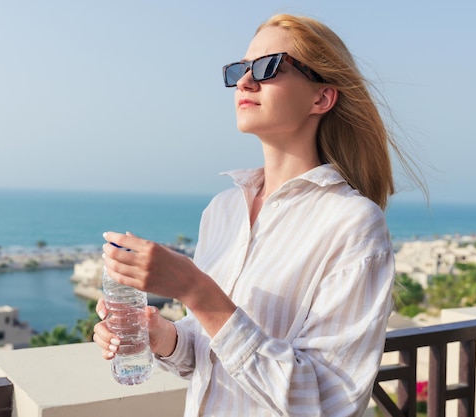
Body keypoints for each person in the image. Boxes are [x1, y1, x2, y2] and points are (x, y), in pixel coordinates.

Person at [93, 13, 424, 417]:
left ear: (321, 98)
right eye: (239, 70)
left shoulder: (352, 223)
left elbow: (328, 401)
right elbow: (209, 358)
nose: (246, 82)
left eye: (268, 67)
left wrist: (197, 290)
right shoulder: (223, 211)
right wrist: (162, 336)